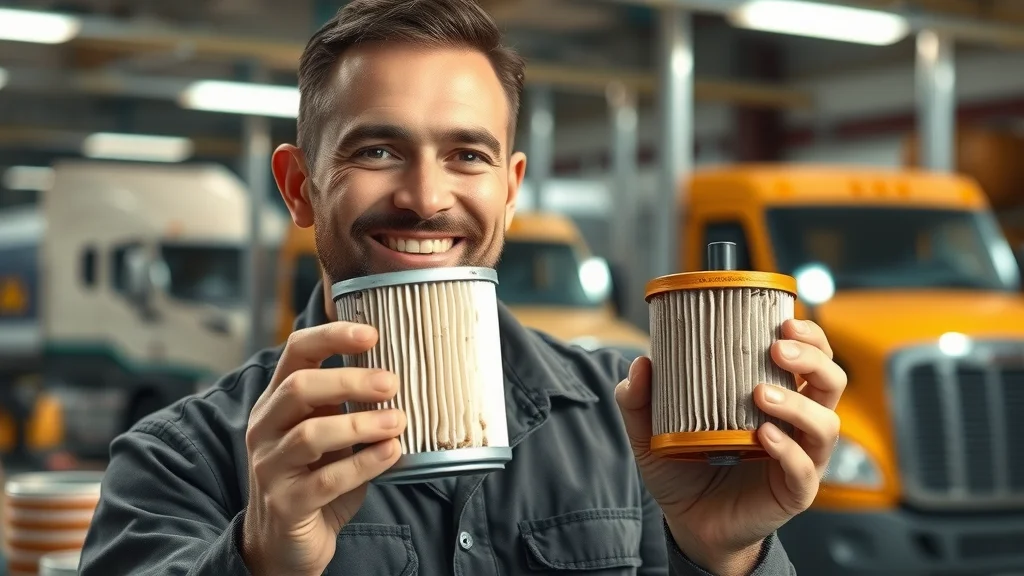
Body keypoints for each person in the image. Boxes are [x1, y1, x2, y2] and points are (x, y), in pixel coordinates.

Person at [78, 1, 847, 574]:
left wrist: (723, 556)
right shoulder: (178, 460)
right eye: (377, 150)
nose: (426, 197)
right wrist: (260, 559)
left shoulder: (633, 423)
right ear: (300, 187)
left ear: (510, 189)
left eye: (467, 155)